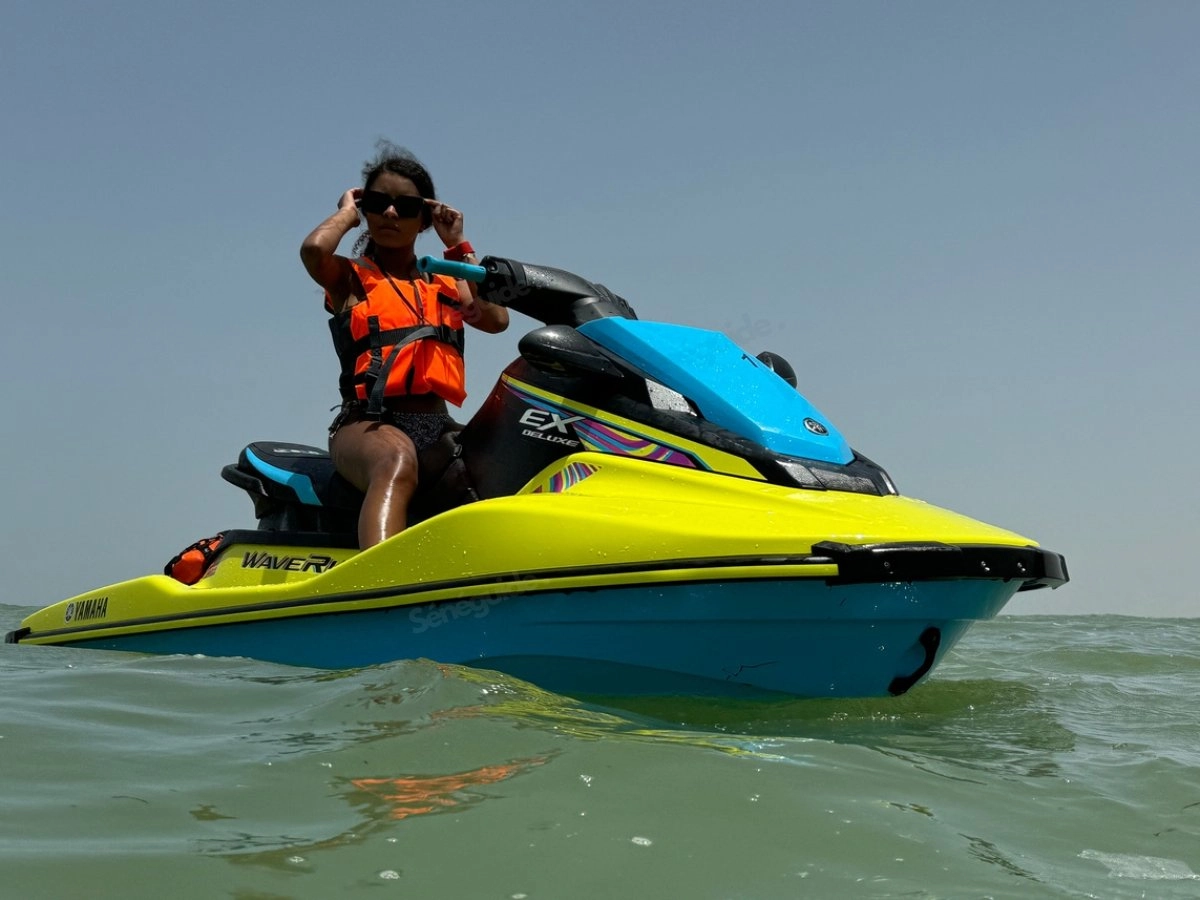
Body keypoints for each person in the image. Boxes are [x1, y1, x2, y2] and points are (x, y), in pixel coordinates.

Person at [300, 144, 509, 549]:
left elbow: (496, 320)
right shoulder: (350, 277)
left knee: (507, 460)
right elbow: (314, 251)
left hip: (436, 424)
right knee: (394, 461)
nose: (391, 214)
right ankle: (380, 584)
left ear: (425, 219)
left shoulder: (446, 280)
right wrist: (347, 213)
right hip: (368, 424)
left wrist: (459, 245)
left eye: (406, 207)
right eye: (378, 203)